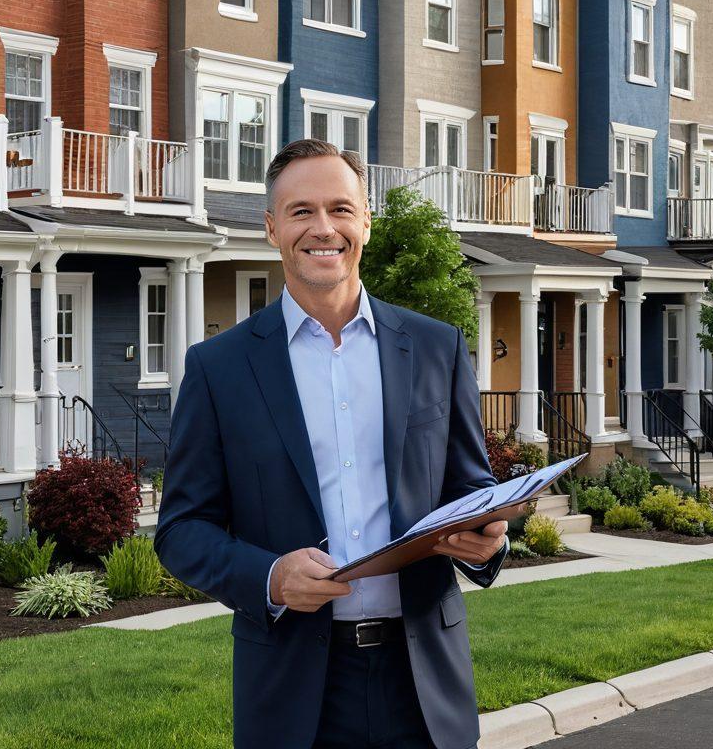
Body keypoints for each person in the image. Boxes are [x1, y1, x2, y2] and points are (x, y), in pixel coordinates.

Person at [155, 139, 510, 749]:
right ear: (271, 228)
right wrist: (268, 576)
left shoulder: (435, 348)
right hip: (294, 691)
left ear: (366, 221)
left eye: (341, 209)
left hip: (425, 683)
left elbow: (470, 485)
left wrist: (486, 538)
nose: (324, 229)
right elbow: (182, 529)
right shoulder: (219, 368)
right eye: (301, 212)